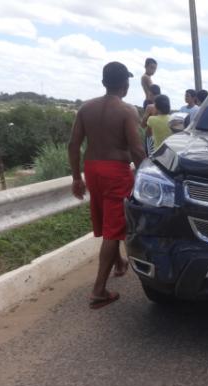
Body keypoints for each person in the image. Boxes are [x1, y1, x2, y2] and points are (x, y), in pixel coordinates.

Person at [68, 61, 146, 309]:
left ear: (104, 83)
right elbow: (135, 148)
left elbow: (73, 144)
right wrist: (147, 175)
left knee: (106, 221)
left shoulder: (85, 108)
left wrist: (76, 177)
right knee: (114, 229)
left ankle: (120, 263)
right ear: (125, 84)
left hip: (92, 170)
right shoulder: (127, 110)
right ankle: (99, 290)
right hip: (116, 171)